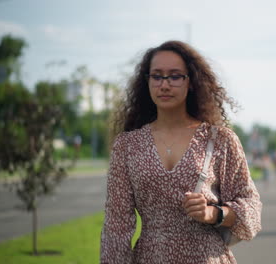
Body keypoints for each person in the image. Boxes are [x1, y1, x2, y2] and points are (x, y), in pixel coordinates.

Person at [100, 40, 262, 264]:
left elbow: (251, 206)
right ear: (146, 81)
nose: (164, 85)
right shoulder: (127, 146)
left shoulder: (220, 139)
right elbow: (116, 227)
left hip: (207, 257)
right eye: (157, 76)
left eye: (175, 76)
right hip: (151, 257)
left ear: (191, 82)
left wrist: (213, 213)